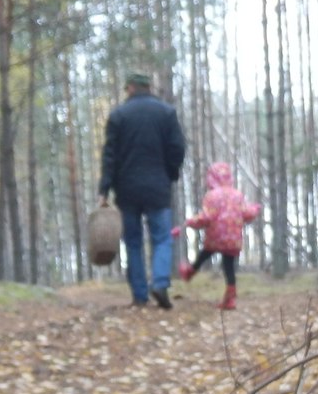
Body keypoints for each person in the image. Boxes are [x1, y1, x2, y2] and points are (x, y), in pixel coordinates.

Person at [97, 72, 185, 309]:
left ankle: (139, 294)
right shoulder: (166, 113)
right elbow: (177, 148)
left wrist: (104, 188)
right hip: (158, 186)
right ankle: (160, 283)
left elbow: (110, 156)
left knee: (133, 242)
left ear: (131, 88)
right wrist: (171, 173)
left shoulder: (118, 116)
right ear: (148, 87)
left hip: (127, 190)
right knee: (162, 238)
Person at [177, 162, 261, 311]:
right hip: (233, 239)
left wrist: (191, 222)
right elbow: (246, 214)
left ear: (212, 178)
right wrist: (254, 209)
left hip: (215, 237)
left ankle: (190, 272)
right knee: (229, 267)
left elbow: (207, 217)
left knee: (205, 253)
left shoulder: (212, 196)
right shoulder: (237, 195)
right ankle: (230, 299)